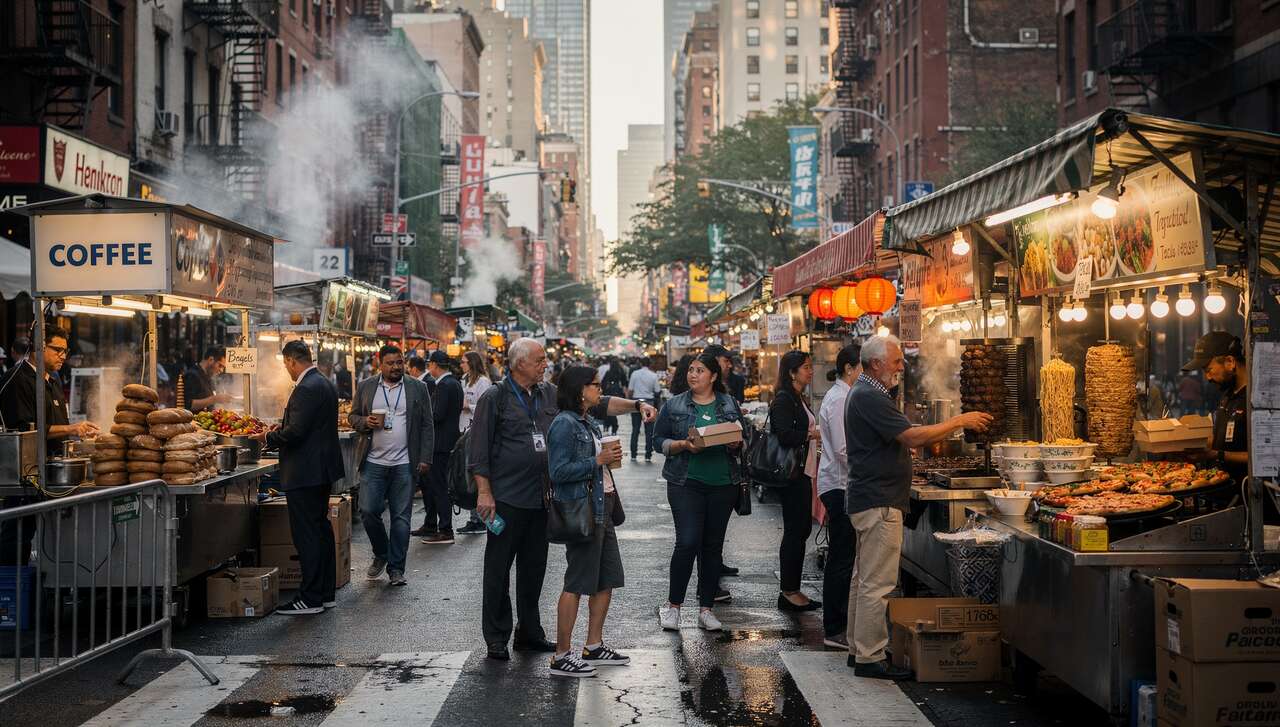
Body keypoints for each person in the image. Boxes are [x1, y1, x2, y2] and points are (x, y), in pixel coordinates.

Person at [469, 338, 657, 660]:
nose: (545, 365)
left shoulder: (548, 394)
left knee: (533, 569)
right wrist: (484, 492)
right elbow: (479, 450)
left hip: (543, 500)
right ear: (519, 364)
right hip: (505, 500)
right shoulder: (495, 398)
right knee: (498, 569)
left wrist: (636, 405)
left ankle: (528, 632)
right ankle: (497, 636)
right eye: (539, 360)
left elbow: (596, 402)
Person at [844, 335, 991, 678]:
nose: (900, 367)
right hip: (878, 501)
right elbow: (910, 437)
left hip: (870, 497)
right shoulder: (868, 395)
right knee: (877, 584)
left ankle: (858, 648)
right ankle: (870, 656)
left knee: (863, 580)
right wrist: (959, 421)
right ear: (876, 363)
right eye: (895, 361)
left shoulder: (867, 393)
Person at [651, 351, 746, 633]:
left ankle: (706, 609)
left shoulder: (729, 403)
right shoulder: (675, 405)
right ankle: (674, 606)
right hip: (685, 483)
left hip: (723, 483)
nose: (693, 375)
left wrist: (734, 444)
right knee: (688, 542)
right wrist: (683, 445)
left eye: (700, 370)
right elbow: (658, 441)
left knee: (712, 546)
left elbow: (742, 439)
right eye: (691, 370)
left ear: (714, 376)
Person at [546, 365, 628, 678]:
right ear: (580, 390)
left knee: (606, 578)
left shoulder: (588, 422)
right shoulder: (564, 424)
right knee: (578, 581)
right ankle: (561, 654)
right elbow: (558, 471)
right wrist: (597, 461)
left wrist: (607, 461)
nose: (599, 390)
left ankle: (594, 645)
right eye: (595, 385)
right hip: (583, 510)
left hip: (603, 505)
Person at [253, 341, 346, 614]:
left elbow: (297, 433)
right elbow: (304, 426)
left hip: (306, 471)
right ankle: (325, 593)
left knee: (307, 534)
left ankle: (310, 597)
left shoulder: (306, 388)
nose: (287, 371)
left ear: (292, 361)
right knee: (320, 531)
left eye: (286, 365)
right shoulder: (324, 383)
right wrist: (281, 428)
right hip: (320, 470)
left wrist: (268, 436)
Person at [0, 325, 99, 566]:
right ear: (38, 347)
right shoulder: (18, 380)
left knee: (48, 536)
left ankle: (46, 584)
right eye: (57, 349)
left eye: (65, 351)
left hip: (53, 473)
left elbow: (58, 428)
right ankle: (13, 590)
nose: (63, 356)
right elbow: (27, 430)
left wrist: (80, 437)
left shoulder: (52, 380)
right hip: (28, 474)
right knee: (18, 535)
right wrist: (72, 428)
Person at [347, 344, 434, 585]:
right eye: (391, 363)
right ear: (380, 364)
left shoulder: (418, 387)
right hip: (373, 461)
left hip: (404, 463)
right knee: (368, 510)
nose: (396, 367)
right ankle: (381, 553)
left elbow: (427, 424)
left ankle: (396, 568)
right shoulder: (366, 387)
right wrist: (365, 421)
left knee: (401, 517)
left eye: (399, 362)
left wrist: (426, 457)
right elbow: (352, 417)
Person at [768, 350, 822, 613]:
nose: (810, 371)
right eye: (806, 367)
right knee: (795, 531)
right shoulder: (783, 399)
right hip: (791, 476)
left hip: (801, 472)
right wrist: (811, 435)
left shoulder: (798, 398)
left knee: (800, 530)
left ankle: (793, 589)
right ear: (792, 373)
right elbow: (783, 434)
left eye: (810, 367)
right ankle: (789, 592)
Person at [816, 343, 862, 649]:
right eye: (863, 368)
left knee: (843, 557)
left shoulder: (844, 397)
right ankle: (835, 628)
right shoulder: (839, 400)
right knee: (841, 559)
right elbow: (845, 450)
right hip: (839, 485)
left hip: (842, 484)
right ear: (849, 368)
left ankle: (840, 624)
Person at [1182, 332, 1249, 485]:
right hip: (1221, 487)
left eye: (1208, 369)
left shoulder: (1256, 400)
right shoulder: (1227, 396)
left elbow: (1266, 456)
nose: (1208, 377)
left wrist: (1215, 455)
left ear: (1230, 362)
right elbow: (1220, 438)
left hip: (1247, 496)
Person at [420, 350, 462, 544]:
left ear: (435, 365)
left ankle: (445, 529)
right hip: (447, 440)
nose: (429, 368)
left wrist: (422, 416)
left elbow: (437, 414)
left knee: (439, 486)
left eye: (430, 364)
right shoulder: (452, 383)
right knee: (435, 484)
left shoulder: (445, 385)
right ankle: (433, 524)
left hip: (441, 443)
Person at [457, 351, 494, 535]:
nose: (461, 364)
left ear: (471, 363)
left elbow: (485, 406)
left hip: (475, 431)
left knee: (473, 473)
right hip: (462, 430)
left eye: (463, 362)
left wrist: (467, 406)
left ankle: (479, 518)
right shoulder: (464, 379)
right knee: (466, 475)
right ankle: (474, 516)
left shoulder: (483, 382)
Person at [625, 356, 660, 461]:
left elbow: (630, 390)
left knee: (635, 429)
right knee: (649, 430)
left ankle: (633, 454)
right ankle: (648, 455)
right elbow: (657, 390)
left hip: (636, 403)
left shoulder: (634, 374)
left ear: (640, 363)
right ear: (649, 364)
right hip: (649, 402)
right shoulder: (653, 375)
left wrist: (629, 401)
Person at [181, 346, 231, 412]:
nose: (221, 370)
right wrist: (216, 399)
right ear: (211, 360)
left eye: (223, 367)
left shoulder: (209, 377)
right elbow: (188, 405)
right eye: (220, 365)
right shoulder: (192, 375)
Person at [600, 360, 628, 436]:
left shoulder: (608, 372)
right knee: (613, 410)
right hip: (617, 392)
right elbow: (624, 382)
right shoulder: (620, 372)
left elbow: (603, 383)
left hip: (608, 391)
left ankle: (607, 424)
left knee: (608, 409)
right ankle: (614, 427)